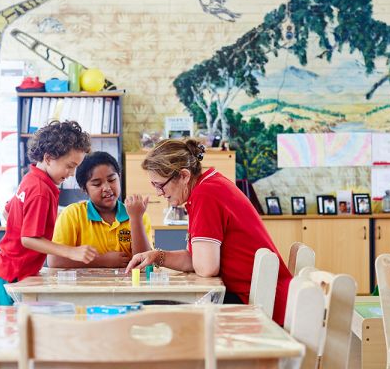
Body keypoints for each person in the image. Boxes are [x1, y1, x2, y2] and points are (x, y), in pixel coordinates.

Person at [125, 138, 292, 326]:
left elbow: (206, 268)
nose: (159, 193)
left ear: (184, 176)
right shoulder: (208, 185)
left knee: (163, 317)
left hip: (260, 303)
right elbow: (197, 260)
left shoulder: (205, 195)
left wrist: (161, 256)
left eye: (160, 185)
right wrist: (157, 256)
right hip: (261, 295)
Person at [0, 121, 97, 307]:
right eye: (69, 166)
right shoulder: (41, 190)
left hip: (7, 270)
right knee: (13, 330)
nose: (71, 173)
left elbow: (8, 211)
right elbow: (28, 239)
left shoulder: (30, 178)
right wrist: (71, 251)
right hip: (12, 275)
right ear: (48, 158)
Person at [48, 151, 153, 268]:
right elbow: (55, 261)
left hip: (127, 285)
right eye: (97, 184)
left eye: (112, 179)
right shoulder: (73, 214)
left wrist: (136, 219)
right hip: (86, 284)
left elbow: (144, 263)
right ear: (84, 189)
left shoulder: (137, 214)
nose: (107, 188)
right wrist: (101, 260)